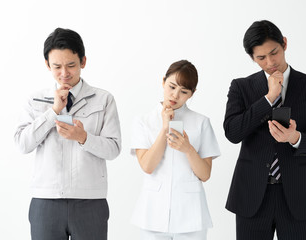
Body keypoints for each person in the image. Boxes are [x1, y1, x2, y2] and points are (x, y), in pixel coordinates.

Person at [223, 20, 306, 240]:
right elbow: (232, 133)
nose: (270, 62)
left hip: (298, 197)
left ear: (284, 43)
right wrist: (268, 98)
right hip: (252, 196)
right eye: (261, 58)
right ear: (252, 58)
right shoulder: (241, 87)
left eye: (274, 52)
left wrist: (296, 138)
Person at [14, 28, 121, 240]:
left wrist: (83, 137)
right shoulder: (35, 100)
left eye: (71, 65)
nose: (64, 73)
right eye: (57, 66)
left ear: (83, 61)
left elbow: (114, 149)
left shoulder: (103, 99)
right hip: (46, 200)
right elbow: (22, 144)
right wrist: (52, 112)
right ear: (47, 65)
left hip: (90, 200)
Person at [130, 60, 220, 240]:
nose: (175, 95)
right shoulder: (143, 121)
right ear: (163, 81)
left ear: (192, 94)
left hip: (191, 215)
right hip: (152, 214)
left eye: (184, 91)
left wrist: (188, 149)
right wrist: (164, 128)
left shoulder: (201, 122)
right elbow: (147, 166)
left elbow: (205, 174)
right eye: (171, 86)